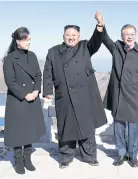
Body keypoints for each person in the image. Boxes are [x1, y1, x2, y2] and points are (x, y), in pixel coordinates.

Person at [42, 11, 107, 169]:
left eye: (74, 35)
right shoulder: (53, 51)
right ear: (63, 36)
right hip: (64, 94)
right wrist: (48, 91)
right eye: (68, 35)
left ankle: (90, 156)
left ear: (79, 36)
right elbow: (48, 72)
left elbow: (97, 40)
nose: (71, 37)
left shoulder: (86, 46)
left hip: (85, 95)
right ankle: (65, 157)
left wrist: (99, 25)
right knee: (65, 127)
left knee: (87, 127)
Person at [103, 24, 138, 167]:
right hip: (118, 94)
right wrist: (101, 25)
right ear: (122, 36)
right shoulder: (116, 48)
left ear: (135, 35)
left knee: (134, 128)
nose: (129, 37)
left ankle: (133, 155)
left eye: (131, 34)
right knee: (118, 127)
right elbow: (105, 38)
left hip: (135, 95)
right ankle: (121, 154)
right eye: (126, 34)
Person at [3, 27, 46, 174]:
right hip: (17, 100)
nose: (29, 42)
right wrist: (24, 94)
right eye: (26, 40)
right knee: (17, 132)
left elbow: (38, 76)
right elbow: (10, 82)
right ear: (18, 41)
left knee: (29, 130)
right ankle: (18, 160)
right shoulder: (9, 59)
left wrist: (35, 90)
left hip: (32, 98)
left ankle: (27, 159)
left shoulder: (32, 56)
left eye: (29, 39)